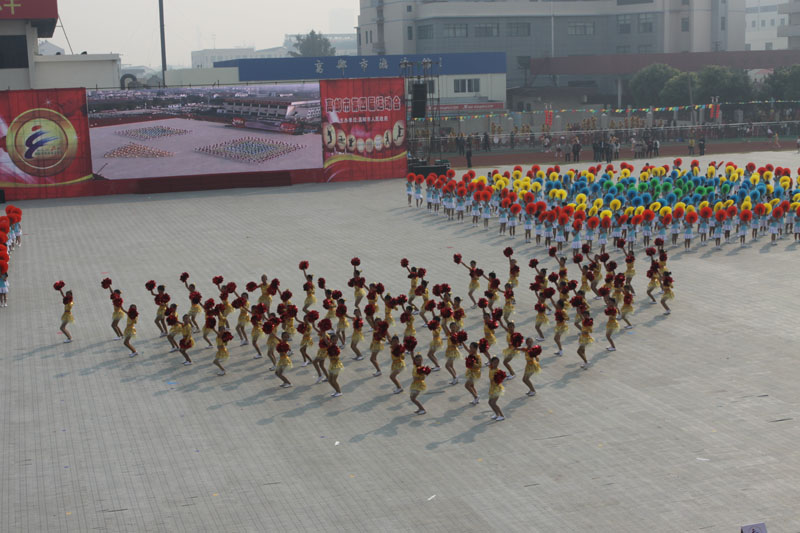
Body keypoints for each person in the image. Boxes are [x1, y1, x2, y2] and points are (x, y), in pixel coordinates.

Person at [487, 356, 506, 421]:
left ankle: (502, 415)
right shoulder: (491, 369)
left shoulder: (497, 371)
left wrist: (498, 380)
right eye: (495, 362)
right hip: (492, 388)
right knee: (489, 402)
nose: (496, 364)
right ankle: (496, 414)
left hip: (497, 388)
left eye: (497, 362)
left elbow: (500, 379)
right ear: (491, 362)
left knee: (493, 403)